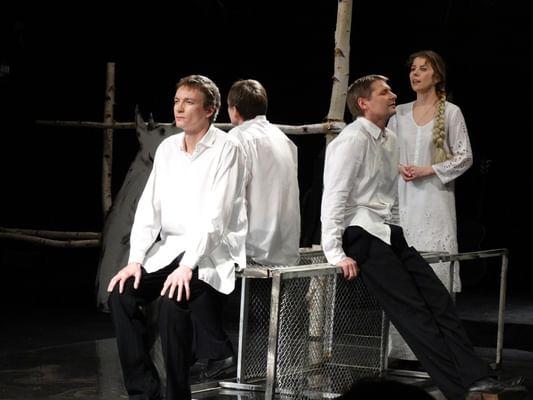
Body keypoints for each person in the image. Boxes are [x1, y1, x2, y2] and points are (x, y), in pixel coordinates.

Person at [320, 74, 526, 400]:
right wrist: (335, 252)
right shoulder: (351, 140)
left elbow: (389, 197)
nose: (393, 95)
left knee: (439, 300)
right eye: (384, 92)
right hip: (359, 233)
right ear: (363, 103)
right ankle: (460, 390)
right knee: (413, 312)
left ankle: (478, 378)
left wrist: (398, 231)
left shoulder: (389, 139)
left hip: (386, 231)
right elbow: (334, 197)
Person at [107, 75, 247, 400]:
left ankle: (177, 394)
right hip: (170, 249)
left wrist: (187, 265)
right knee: (121, 294)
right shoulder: (168, 148)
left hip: (210, 251)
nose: (179, 108)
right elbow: (149, 209)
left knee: (173, 301)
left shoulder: (227, 149)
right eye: (176, 101)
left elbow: (216, 218)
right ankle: (144, 392)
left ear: (210, 110)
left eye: (189, 102)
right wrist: (135, 261)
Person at [387, 50, 473, 364]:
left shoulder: (450, 112)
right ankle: (403, 352)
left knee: (434, 273)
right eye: (413, 68)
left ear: (436, 75)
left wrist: (429, 169)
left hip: (435, 201)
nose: (415, 73)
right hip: (403, 202)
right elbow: (385, 151)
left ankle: (438, 352)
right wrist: (398, 166)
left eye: (423, 69)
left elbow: (464, 156)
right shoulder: (399, 113)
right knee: (404, 278)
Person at [227, 79, 300, 266]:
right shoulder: (284, 139)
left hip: (253, 253)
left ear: (234, 110)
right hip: (286, 250)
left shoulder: (238, 138)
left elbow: (232, 198)